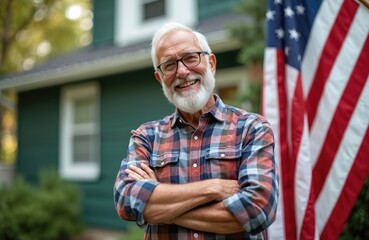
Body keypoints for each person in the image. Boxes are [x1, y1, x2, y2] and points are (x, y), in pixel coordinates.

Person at [113, 22, 279, 239]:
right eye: (169, 65)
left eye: (191, 57)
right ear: (160, 77)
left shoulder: (251, 128)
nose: (182, 71)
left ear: (210, 63)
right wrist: (213, 188)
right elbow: (127, 201)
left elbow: (257, 210)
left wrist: (158, 205)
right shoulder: (146, 137)